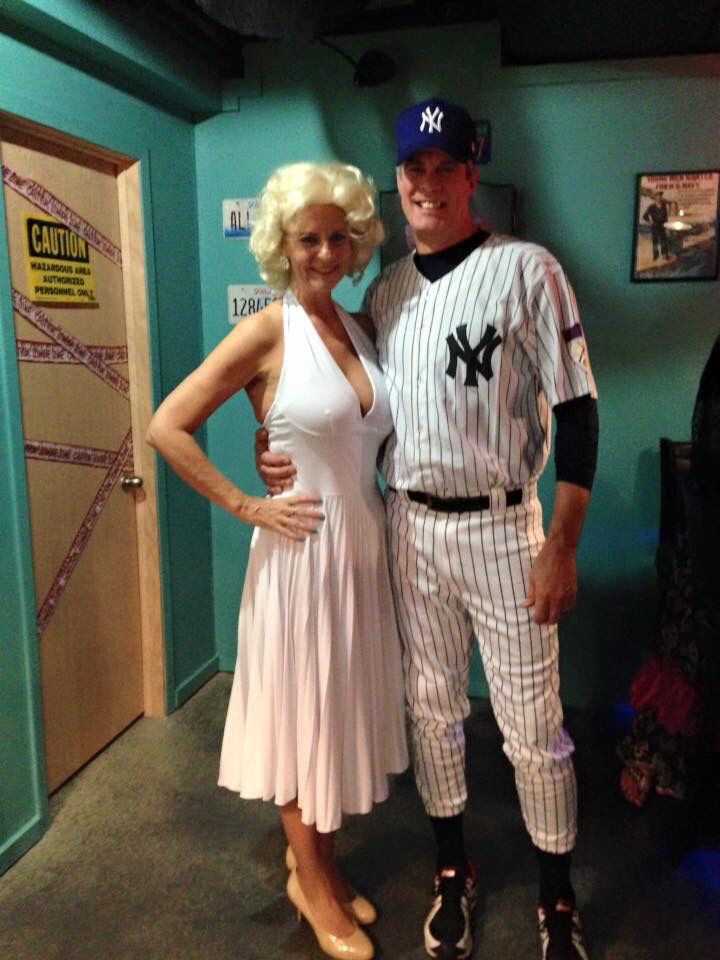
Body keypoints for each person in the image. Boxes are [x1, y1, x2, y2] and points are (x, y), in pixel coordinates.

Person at [259, 98, 599, 960]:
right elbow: (337, 406)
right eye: (415, 168)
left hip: (502, 527)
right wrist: (272, 452)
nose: (429, 182)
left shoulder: (528, 268)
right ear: (400, 182)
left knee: (532, 726)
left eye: (445, 166)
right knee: (433, 712)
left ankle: (556, 900)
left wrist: (562, 543)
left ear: (470, 174)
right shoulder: (387, 291)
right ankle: (453, 871)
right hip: (411, 526)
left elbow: (580, 410)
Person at [147, 161, 407, 960]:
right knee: (304, 724)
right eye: (308, 238)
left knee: (332, 718)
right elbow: (167, 425)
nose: (325, 252)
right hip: (299, 560)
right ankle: (316, 887)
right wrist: (248, 502)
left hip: (359, 554)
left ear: (357, 241)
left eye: (339, 236)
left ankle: (315, 871)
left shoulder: (361, 326)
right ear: (282, 246)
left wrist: (277, 451)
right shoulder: (270, 327)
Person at [643, 190, 670, 260]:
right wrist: (650, 222)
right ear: (655, 198)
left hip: (662, 226)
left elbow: (666, 217)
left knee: (663, 241)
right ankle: (656, 256)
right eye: (657, 196)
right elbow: (645, 216)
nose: (659, 198)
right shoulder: (651, 207)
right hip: (654, 226)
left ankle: (665, 255)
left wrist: (667, 227)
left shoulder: (664, 206)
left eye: (660, 196)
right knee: (655, 242)